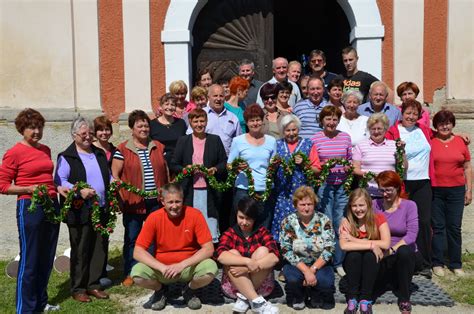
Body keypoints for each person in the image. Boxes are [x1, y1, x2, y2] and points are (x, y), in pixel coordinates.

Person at [0, 109, 60, 313]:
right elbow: (3, 185)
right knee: (31, 258)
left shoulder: (46, 150)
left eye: (39, 127)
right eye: (32, 127)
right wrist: (28, 188)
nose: (36, 131)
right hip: (30, 206)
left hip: (51, 204)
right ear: (21, 129)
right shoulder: (14, 153)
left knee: (46, 256)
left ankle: (41, 302)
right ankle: (25, 309)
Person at [131, 183, 218, 311]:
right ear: (162, 202)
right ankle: (160, 291)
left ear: (183, 200)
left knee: (210, 269)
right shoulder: (154, 218)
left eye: (178, 201)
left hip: (187, 267)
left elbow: (209, 249)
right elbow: (138, 252)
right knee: (137, 275)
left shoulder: (195, 215)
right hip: (163, 268)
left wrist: (182, 265)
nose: (174, 206)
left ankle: (189, 290)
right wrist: (161, 267)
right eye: (170, 202)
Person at [55, 116, 111, 302]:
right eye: (84, 134)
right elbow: (61, 181)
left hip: (101, 208)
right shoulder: (67, 156)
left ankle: (93, 284)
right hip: (79, 210)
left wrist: (114, 183)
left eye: (90, 133)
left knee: (99, 248)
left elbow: (107, 175)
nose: (88, 137)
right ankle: (78, 288)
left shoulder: (99, 153)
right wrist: (79, 190)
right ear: (74, 135)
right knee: (80, 249)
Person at [112, 110, 168, 286]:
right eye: (140, 125)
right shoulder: (122, 149)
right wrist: (121, 199)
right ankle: (130, 272)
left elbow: (166, 172)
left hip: (156, 202)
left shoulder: (158, 146)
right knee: (133, 238)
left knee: (154, 238)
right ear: (132, 128)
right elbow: (115, 176)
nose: (144, 128)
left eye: (146, 125)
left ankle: (150, 271)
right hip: (134, 202)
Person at [385, 99, 433, 278]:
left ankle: (424, 263)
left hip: (423, 181)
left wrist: (460, 137)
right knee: (401, 222)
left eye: (415, 113)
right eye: (408, 113)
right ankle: (400, 261)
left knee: (425, 222)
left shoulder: (424, 131)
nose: (411, 117)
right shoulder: (393, 131)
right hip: (403, 182)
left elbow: (442, 134)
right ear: (401, 113)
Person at [170, 108, 228, 243]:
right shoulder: (183, 141)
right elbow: (173, 163)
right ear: (190, 122)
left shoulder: (214, 140)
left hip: (209, 190)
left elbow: (224, 162)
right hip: (189, 190)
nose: (199, 124)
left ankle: (210, 252)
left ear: (206, 122)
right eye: (195, 121)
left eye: (202, 121)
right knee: (190, 222)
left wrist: (215, 169)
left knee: (209, 223)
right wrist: (186, 169)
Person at [216, 197, 280, 314]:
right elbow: (221, 256)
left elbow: (274, 257)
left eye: (248, 219)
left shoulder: (262, 232)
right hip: (233, 287)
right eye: (241, 217)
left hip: (261, 286)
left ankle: (244, 298)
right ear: (236, 215)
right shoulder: (230, 233)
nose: (244, 222)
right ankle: (256, 301)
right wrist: (247, 261)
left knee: (263, 251)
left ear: (254, 218)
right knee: (232, 254)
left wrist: (249, 268)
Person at [311, 105, 352, 276]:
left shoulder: (345, 137)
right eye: (328, 119)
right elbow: (313, 164)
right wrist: (323, 168)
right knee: (326, 223)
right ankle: (325, 259)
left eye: (335, 119)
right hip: (324, 186)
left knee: (340, 223)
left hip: (342, 185)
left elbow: (350, 160)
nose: (332, 122)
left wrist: (346, 166)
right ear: (322, 121)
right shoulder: (315, 139)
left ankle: (339, 262)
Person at [280, 186, 336, 310]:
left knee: (326, 281)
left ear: (314, 204)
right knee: (294, 279)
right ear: (296, 205)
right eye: (302, 204)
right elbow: (286, 249)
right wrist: (306, 271)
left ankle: (316, 293)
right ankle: (299, 295)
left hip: (320, 263)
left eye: (309, 204)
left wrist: (313, 269)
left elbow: (329, 248)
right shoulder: (288, 222)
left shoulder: (324, 220)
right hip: (297, 264)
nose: (306, 208)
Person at [431, 110, 472, 277]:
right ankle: (437, 262)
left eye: (448, 122)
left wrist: (469, 190)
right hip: (436, 190)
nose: (444, 126)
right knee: (438, 227)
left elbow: (468, 167)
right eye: (441, 123)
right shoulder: (431, 140)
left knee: (454, 227)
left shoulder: (461, 142)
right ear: (436, 126)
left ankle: (456, 264)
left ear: (453, 124)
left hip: (456, 190)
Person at [372, 171, 418, 314]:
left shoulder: (409, 205)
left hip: (402, 253)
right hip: (382, 250)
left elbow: (412, 235)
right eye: (381, 190)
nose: (385, 194)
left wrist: (391, 250)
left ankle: (404, 297)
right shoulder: (374, 204)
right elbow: (369, 230)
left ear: (397, 188)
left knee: (404, 251)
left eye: (388, 190)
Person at [339, 188, 391, 314]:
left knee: (369, 256)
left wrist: (353, 239)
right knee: (353, 255)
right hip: (353, 265)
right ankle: (352, 298)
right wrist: (372, 245)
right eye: (354, 206)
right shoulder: (348, 222)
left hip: (373, 266)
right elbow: (344, 246)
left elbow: (386, 243)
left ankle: (365, 299)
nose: (358, 209)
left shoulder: (378, 218)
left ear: (368, 204)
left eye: (361, 205)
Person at [271, 114, 321, 240]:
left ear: (298, 130)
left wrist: (305, 164)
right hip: (283, 195)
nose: (291, 133)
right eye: (288, 130)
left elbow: (317, 169)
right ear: (283, 131)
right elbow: (270, 170)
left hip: (303, 196)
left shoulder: (308, 144)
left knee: (302, 229)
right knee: (283, 228)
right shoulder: (277, 145)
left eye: (294, 130)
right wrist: (274, 166)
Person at [228, 104, 277, 229]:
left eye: (258, 120)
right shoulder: (238, 141)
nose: (255, 123)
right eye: (251, 120)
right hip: (243, 189)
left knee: (263, 225)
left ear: (262, 120)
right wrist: (237, 167)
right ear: (247, 123)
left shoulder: (271, 141)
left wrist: (276, 165)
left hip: (264, 189)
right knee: (243, 225)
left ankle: (261, 248)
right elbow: (229, 165)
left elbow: (273, 166)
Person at [353, 113, 406, 198]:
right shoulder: (360, 146)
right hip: (368, 193)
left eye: (379, 128)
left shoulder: (394, 145)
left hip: (389, 193)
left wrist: (402, 151)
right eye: (373, 129)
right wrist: (371, 175)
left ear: (385, 129)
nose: (376, 131)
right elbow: (355, 169)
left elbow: (403, 167)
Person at [92, 115, 116, 286]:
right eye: (101, 129)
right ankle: (92, 272)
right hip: (92, 199)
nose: (104, 133)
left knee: (104, 234)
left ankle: (101, 269)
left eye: (107, 129)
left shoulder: (114, 150)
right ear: (95, 132)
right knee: (92, 236)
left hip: (109, 197)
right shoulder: (90, 150)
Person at [197, 84, 242, 156]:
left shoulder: (233, 118)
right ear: (208, 98)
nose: (218, 99)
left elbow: (239, 142)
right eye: (215, 96)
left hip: (227, 161)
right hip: (205, 160)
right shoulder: (200, 115)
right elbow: (191, 138)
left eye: (221, 96)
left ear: (225, 98)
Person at [150, 93, 187, 166]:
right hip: (159, 162)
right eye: (166, 104)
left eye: (172, 105)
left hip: (178, 163)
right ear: (161, 106)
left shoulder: (181, 123)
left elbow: (185, 144)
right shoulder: (152, 124)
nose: (169, 107)